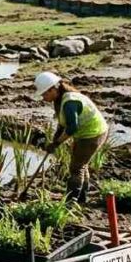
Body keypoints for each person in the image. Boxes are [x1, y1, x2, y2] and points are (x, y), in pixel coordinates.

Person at [34, 71, 109, 203]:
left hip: (93, 134)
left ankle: (70, 202)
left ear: (53, 89)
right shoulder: (60, 99)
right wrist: (54, 140)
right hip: (86, 134)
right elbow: (63, 124)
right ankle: (81, 199)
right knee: (81, 165)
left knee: (76, 168)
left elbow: (72, 128)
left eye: (45, 93)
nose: (43, 98)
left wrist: (57, 143)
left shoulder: (69, 102)